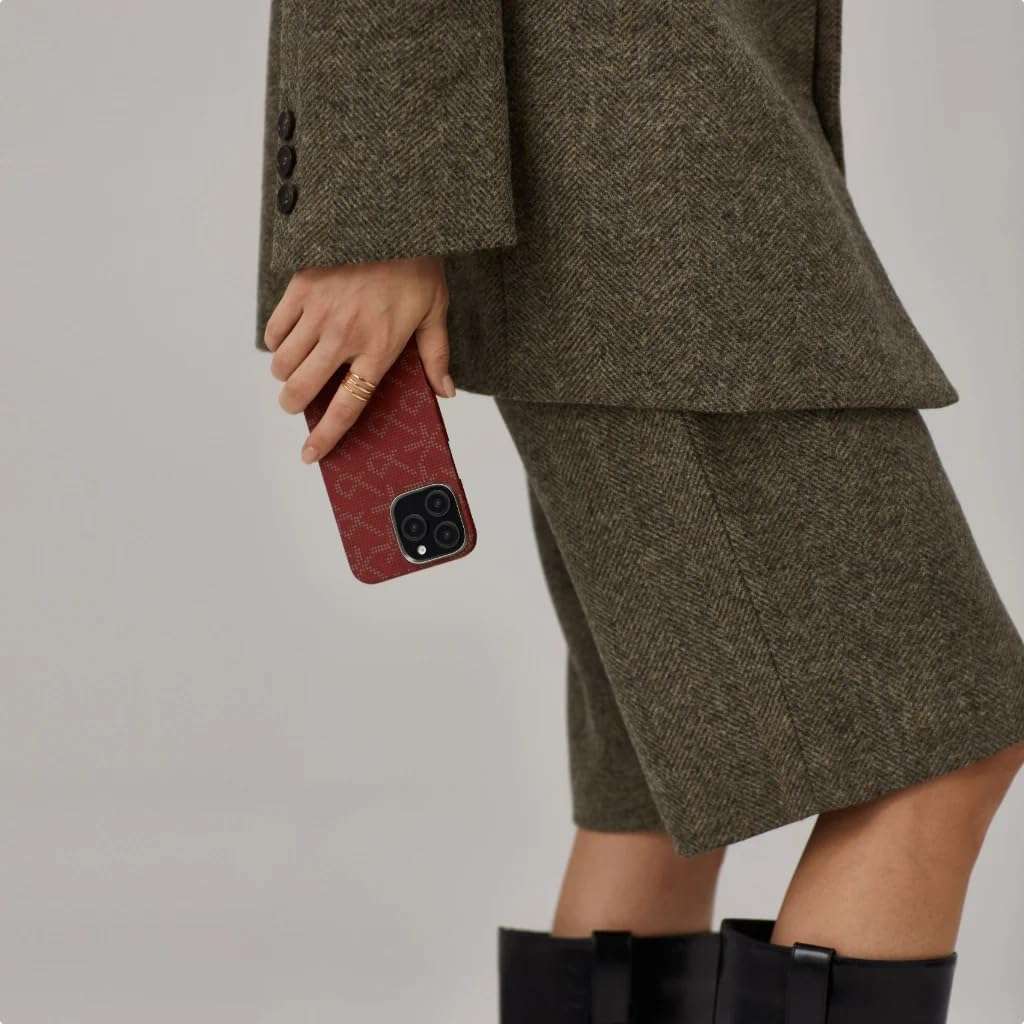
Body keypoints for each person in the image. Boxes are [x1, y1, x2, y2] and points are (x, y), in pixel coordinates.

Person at [254, 4, 1024, 1020]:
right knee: (938, 741)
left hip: (660, 162)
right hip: (636, 192)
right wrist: (376, 213)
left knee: (651, 793)